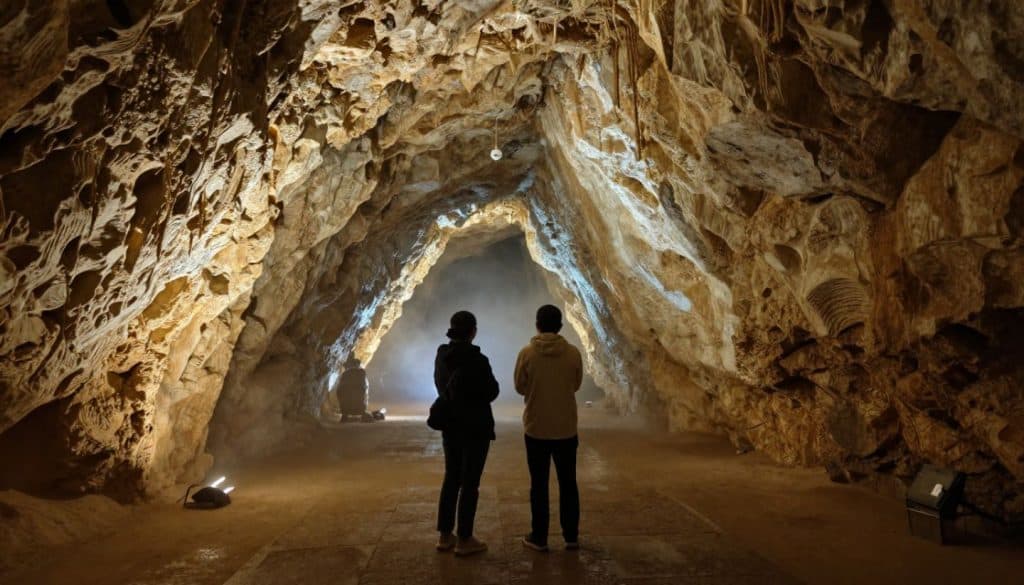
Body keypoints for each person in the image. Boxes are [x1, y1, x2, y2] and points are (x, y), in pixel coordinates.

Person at [514, 304, 583, 552]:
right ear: (560, 326)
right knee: (568, 483)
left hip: (536, 428)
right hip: (566, 427)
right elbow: (576, 384)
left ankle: (540, 536)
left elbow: (520, 387)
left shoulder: (527, 353)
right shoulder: (573, 353)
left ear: (537, 325)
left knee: (539, 484)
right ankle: (571, 536)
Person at [434, 310, 499, 556]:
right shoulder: (477, 360)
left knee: (451, 477)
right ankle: (464, 539)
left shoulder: (441, 356)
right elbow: (492, 391)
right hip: (475, 428)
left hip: (450, 425)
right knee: (470, 483)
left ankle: (444, 535)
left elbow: (439, 385)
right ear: (473, 332)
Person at [336, 356, 369, 422]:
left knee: (346, 402)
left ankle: (344, 416)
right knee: (360, 401)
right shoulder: (361, 372)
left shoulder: (346, 373)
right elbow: (364, 384)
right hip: (358, 393)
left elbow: (341, 385)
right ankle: (362, 414)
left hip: (348, 395)